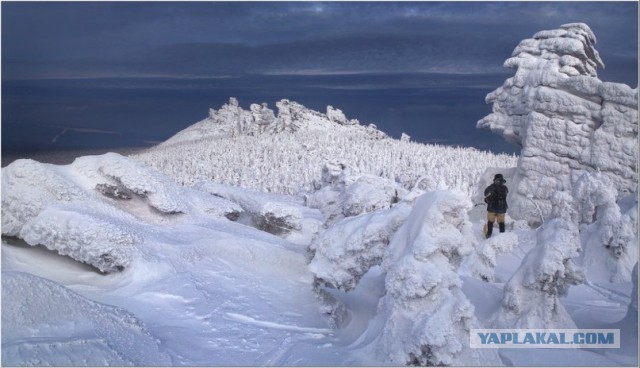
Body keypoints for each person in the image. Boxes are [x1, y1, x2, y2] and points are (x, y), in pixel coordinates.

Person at [484, 173, 508, 238]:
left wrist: (487, 199)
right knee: (501, 223)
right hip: (502, 208)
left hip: (492, 208)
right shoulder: (505, 188)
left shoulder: (491, 187)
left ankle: (489, 235)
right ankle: (502, 236)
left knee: (490, 222)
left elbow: (486, 194)